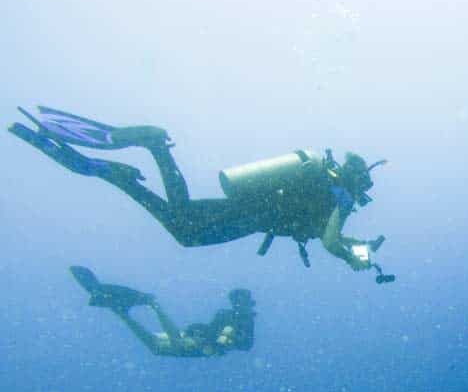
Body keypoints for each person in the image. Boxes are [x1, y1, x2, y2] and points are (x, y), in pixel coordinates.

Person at [10, 106, 395, 281]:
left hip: (247, 205)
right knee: (185, 232)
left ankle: (117, 174)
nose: (361, 201)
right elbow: (329, 241)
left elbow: (328, 232)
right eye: (364, 192)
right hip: (251, 215)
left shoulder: (325, 184)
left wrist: (354, 244)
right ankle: (153, 146)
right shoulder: (340, 197)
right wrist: (349, 258)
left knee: (183, 221)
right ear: (358, 183)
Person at [70, 265, 256, 357]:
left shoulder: (243, 319)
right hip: (204, 341)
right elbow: (238, 342)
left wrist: (223, 339)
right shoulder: (229, 315)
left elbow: (242, 344)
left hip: (206, 343)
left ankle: (122, 312)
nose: (237, 304)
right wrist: (217, 339)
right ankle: (152, 305)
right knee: (173, 342)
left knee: (156, 347)